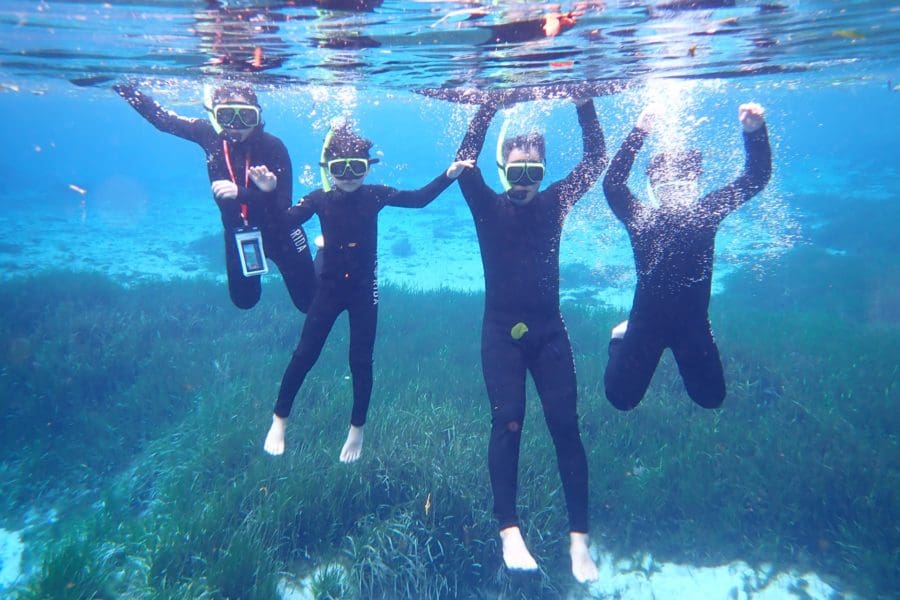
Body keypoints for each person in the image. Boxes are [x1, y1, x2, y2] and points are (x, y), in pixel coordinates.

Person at [454, 98, 606, 583]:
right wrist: (486, 107)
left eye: (533, 173)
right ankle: (509, 530)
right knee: (509, 420)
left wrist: (585, 101)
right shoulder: (484, 203)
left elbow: (596, 160)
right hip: (501, 333)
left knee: (566, 427)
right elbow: (463, 161)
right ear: (503, 169)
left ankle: (579, 539)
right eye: (517, 173)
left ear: (543, 172)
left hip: (548, 331)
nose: (524, 184)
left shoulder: (556, 201)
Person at [263, 123, 473, 462]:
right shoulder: (318, 199)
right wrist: (270, 192)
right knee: (304, 354)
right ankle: (279, 419)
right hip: (329, 287)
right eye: (339, 169)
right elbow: (283, 222)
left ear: (367, 167)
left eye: (356, 168)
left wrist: (448, 175)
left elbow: (418, 200)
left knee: (360, 361)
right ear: (327, 170)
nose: (347, 176)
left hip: (363, 289)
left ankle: (356, 430)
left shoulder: (374, 195)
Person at [601, 102, 771, 411]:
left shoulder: (706, 213)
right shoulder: (642, 219)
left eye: (684, 186)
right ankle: (619, 337)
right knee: (620, 399)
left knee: (711, 398)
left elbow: (755, 177)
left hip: (691, 322)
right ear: (652, 189)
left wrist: (755, 132)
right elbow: (611, 185)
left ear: (696, 184)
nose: (675, 195)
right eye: (666, 188)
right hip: (645, 322)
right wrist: (639, 132)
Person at [114, 82, 316, 312]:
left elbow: (282, 207)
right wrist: (122, 87)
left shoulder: (273, 146)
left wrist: (249, 193)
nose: (237, 126)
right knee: (244, 301)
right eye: (227, 115)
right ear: (214, 115)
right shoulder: (207, 134)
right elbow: (162, 119)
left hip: (281, 233)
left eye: (246, 116)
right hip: (239, 234)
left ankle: (323, 256)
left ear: (258, 116)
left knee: (309, 304)